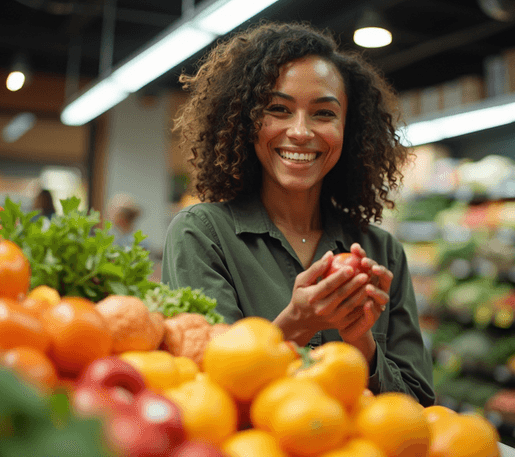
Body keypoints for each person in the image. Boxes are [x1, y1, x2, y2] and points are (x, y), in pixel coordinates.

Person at [161, 21, 434, 405]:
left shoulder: (382, 252)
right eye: (278, 109)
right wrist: (296, 325)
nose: (301, 131)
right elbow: (204, 391)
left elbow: (420, 408)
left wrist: (362, 343)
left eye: (323, 113)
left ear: (348, 128)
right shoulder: (202, 234)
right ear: (245, 121)